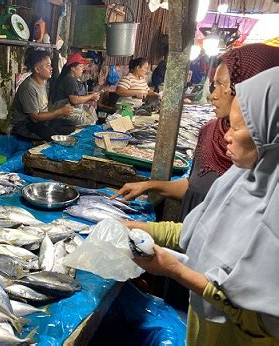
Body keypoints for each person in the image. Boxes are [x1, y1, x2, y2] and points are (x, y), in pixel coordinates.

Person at [130, 66, 279, 345]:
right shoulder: (239, 178)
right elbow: (195, 230)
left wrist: (175, 270)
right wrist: (131, 225)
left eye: (237, 128)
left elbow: (262, 321)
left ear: (271, 135)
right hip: (203, 330)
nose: (226, 137)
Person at [113, 43, 279, 221]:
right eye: (214, 85)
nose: (212, 95)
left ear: (252, 87)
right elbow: (195, 186)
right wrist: (149, 185)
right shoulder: (210, 132)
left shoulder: (265, 161)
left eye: (222, 85)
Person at [9, 49, 75, 141]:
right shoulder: (28, 87)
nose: (51, 68)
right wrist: (60, 111)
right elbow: (35, 118)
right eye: (48, 66)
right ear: (37, 69)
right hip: (25, 125)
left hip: (41, 121)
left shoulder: (43, 82)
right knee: (53, 137)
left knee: (70, 125)